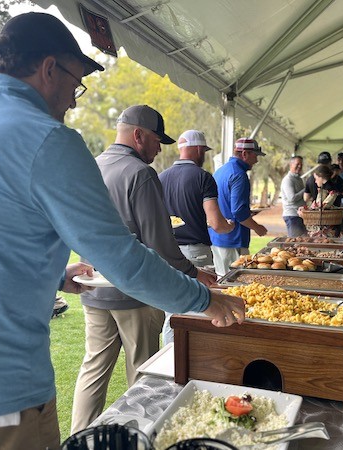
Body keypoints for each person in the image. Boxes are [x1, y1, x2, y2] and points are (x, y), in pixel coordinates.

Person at [0, 13, 245, 450]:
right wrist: (205, 299)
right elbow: (122, 259)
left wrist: (52, 275)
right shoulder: (48, 139)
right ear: (49, 69)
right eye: (75, 82)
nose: (74, 101)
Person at [71, 108, 219, 433]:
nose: (159, 148)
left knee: (93, 371)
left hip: (93, 286)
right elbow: (160, 244)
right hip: (135, 292)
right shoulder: (140, 173)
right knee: (143, 373)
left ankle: (78, 437)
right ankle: (142, 435)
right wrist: (195, 274)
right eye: (156, 140)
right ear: (138, 135)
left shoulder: (91, 166)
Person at [159, 129, 234, 344]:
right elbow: (216, 223)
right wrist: (229, 226)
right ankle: (194, 362)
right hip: (196, 253)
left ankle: (171, 361)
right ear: (199, 149)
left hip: (168, 251)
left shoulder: (161, 177)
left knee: (172, 313)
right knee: (200, 309)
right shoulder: (203, 177)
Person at [209, 138, 268, 276]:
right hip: (233, 240)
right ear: (245, 154)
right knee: (235, 284)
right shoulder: (239, 175)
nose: (256, 160)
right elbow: (239, 212)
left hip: (216, 237)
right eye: (255, 155)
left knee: (222, 279)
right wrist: (257, 227)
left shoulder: (220, 171)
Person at [280, 155, 306, 237]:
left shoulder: (299, 179)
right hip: (292, 216)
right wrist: (306, 189)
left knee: (302, 242)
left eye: (301, 164)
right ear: (291, 165)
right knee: (295, 243)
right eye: (297, 164)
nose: (299, 166)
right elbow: (292, 198)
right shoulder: (288, 180)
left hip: (300, 215)